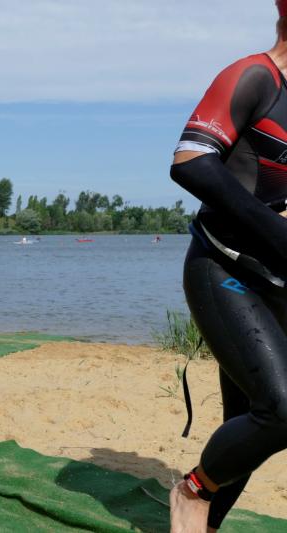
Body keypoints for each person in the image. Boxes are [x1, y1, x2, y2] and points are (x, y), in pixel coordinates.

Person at [169, 2, 287, 530]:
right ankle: (191, 492)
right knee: (281, 410)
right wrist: (279, 234)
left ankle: (205, 519)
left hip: (276, 280)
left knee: (251, 424)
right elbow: (191, 161)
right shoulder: (255, 76)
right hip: (225, 268)